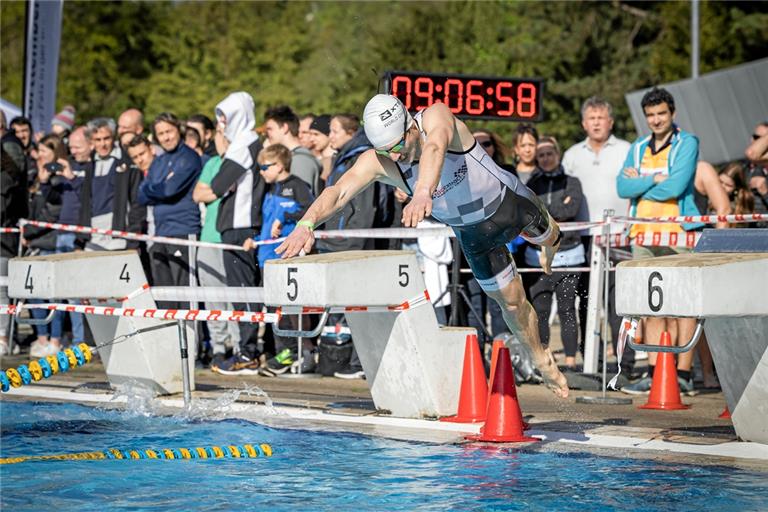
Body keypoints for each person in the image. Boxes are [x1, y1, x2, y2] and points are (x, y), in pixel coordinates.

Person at [276, 94, 569, 398]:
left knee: (551, 237)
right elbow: (337, 192)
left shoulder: (435, 117)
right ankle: (541, 359)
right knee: (510, 304)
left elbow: (435, 146)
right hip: (474, 235)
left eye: (398, 145)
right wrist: (306, 224)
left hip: (509, 204)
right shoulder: (381, 160)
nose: (395, 155)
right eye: (385, 151)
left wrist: (422, 191)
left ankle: (550, 244)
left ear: (410, 126)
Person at [617, 87, 702, 396]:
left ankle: (683, 374)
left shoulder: (687, 142)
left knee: (682, 305)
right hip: (642, 231)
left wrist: (639, 184)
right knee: (650, 307)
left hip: (678, 230)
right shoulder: (638, 146)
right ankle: (655, 373)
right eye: (650, 115)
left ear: (672, 114)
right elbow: (622, 187)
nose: (655, 120)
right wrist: (651, 181)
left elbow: (676, 187)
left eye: (661, 113)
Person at [561, 96, 632, 373]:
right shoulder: (572, 155)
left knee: (618, 303)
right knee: (587, 302)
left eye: (601, 118)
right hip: (584, 238)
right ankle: (592, 362)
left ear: (610, 122)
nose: (597, 123)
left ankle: (624, 365)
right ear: (583, 123)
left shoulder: (627, 150)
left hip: (620, 235)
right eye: (592, 118)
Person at [205, 92, 265, 374]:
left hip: (241, 227)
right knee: (241, 292)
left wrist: (222, 145)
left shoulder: (243, 144)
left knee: (243, 293)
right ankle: (246, 351)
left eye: (223, 118)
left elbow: (216, 186)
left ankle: (248, 353)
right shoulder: (247, 143)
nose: (220, 124)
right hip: (235, 227)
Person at [243, 144, 314, 376]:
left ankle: (297, 351)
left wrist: (286, 218)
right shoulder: (269, 189)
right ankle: (284, 351)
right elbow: (264, 221)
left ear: (280, 165)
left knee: (290, 307)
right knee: (273, 307)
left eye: (265, 167)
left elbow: (311, 211)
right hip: (267, 257)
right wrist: (254, 239)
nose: (261, 172)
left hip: (286, 256)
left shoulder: (297, 186)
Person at [524, 137, 585, 370]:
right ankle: (545, 358)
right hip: (537, 256)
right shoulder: (533, 182)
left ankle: (570, 360)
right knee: (540, 310)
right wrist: (549, 212)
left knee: (567, 308)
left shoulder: (572, 181)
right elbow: (529, 210)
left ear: (558, 155)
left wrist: (545, 211)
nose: (546, 158)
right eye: (542, 155)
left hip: (569, 253)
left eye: (550, 153)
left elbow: (571, 209)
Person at [138, 113, 201, 304]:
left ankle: (190, 335)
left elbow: (170, 189)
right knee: (164, 297)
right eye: (161, 134)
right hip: (159, 234)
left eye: (169, 131)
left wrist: (158, 187)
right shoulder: (159, 161)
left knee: (184, 296)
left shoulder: (189, 157)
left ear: (178, 130)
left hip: (183, 231)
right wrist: (159, 186)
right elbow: (141, 194)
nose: (166, 137)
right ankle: (171, 334)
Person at [192, 128, 241, 368]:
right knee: (213, 297)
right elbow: (197, 194)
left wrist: (212, 190)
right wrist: (219, 190)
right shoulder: (212, 162)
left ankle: (239, 346)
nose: (219, 138)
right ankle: (219, 348)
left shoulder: (241, 160)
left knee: (234, 296)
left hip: (231, 237)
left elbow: (208, 191)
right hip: (209, 237)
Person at [23, 135, 67, 357]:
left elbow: (53, 212)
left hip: (50, 242)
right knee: (35, 294)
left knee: (54, 296)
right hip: (35, 243)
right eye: (38, 151)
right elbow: (31, 210)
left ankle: (56, 340)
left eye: (44, 152)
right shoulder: (36, 176)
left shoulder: (58, 178)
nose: (39, 155)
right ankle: (42, 338)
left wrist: (28, 232)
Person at [77, 118, 145, 252]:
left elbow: (137, 203)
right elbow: (84, 204)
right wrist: (79, 240)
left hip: (119, 238)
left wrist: (133, 240)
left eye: (106, 138)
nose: (103, 144)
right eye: (98, 139)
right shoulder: (89, 166)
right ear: (91, 142)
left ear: (113, 138)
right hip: (92, 239)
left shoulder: (127, 163)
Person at [0, 111, 29, 355]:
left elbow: (8, 193)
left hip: (4, 236)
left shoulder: (10, 147)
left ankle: (4, 338)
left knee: (2, 288)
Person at [264, 105, 321, 196]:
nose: (266, 134)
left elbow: (300, 200)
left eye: (270, 129)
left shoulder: (300, 160)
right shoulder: (293, 157)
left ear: (284, 128)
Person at [744, 121, 768, 227]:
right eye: (755, 137)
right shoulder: (742, 168)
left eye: (763, 139)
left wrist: (765, 192)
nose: (757, 142)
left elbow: (752, 153)